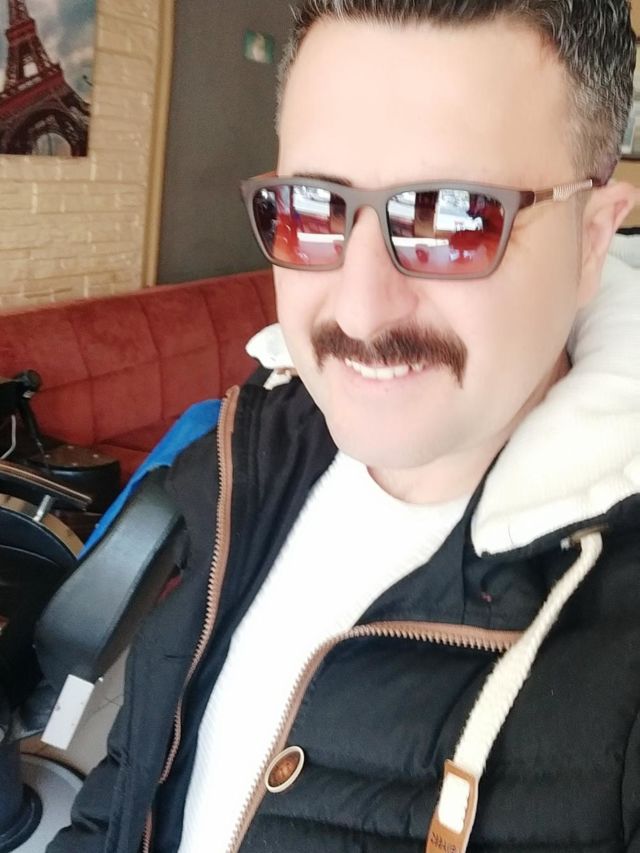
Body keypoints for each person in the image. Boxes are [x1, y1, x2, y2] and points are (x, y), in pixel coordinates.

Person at [48, 1, 640, 851]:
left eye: (451, 217)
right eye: (312, 207)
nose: (359, 311)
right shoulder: (248, 453)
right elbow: (131, 778)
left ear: (591, 239)